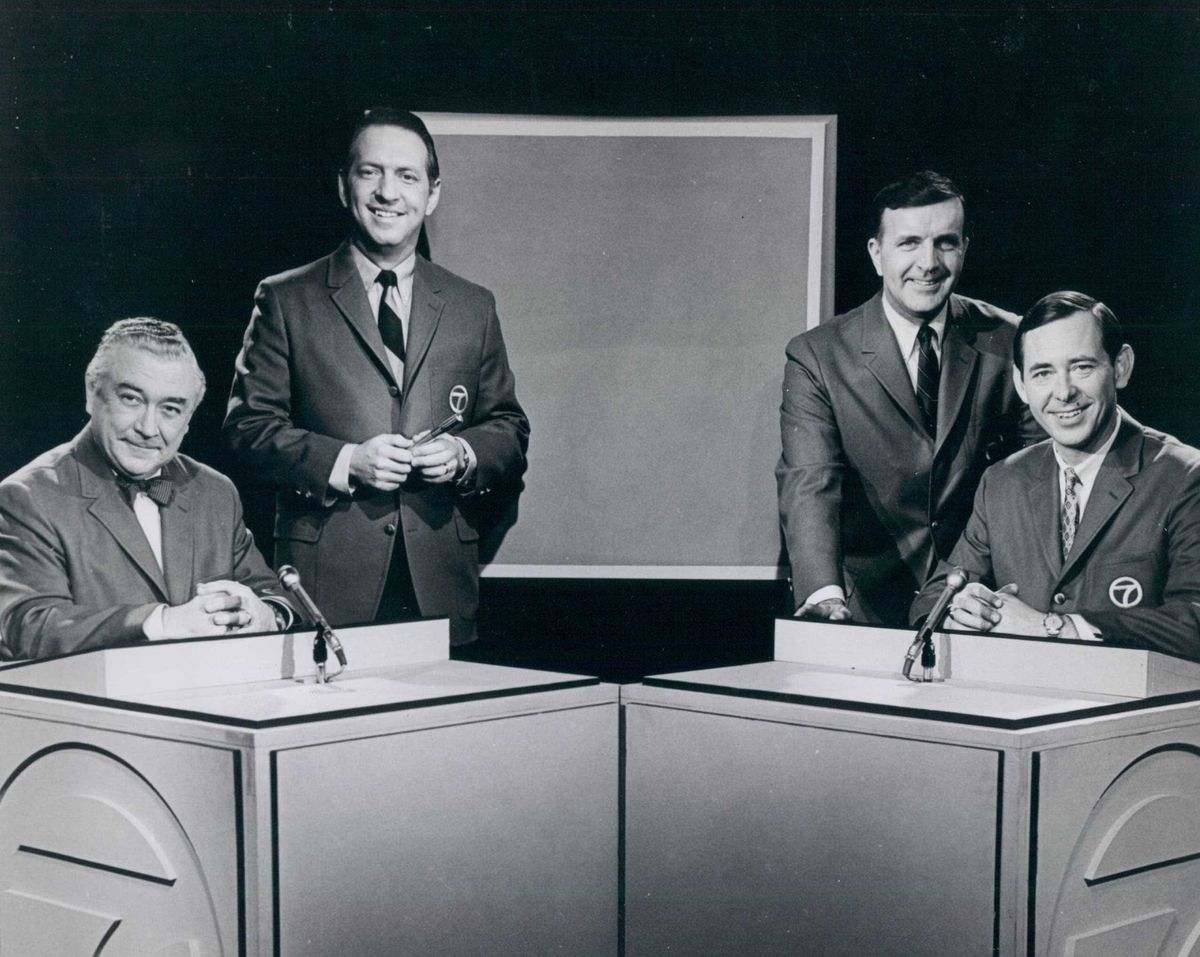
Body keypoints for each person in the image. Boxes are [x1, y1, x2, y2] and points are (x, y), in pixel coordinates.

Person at [223, 109, 529, 645]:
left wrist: (464, 456)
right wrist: (347, 462)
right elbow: (247, 430)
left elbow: (508, 428)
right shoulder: (286, 298)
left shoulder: (472, 305)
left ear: (432, 195)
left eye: (407, 177)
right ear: (345, 186)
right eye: (371, 173)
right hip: (327, 592)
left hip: (441, 588)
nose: (389, 192)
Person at [776, 170, 1034, 626]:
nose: (929, 262)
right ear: (877, 255)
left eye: (946, 243)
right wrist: (823, 594)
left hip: (971, 603)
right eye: (909, 243)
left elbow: (1039, 473)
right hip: (859, 606)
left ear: (964, 249)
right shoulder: (817, 355)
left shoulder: (1009, 339)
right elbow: (809, 484)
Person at [911, 292, 1200, 660]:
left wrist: (1054, 627)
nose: (1063, 392)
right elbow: (932, 599)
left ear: (1121, 366)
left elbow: (1194, 620)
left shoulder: (1185, 477)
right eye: (1043, 372)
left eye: (1082, 367)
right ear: (1021, 384)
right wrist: (961, 613)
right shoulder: (1002, 481)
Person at [0, 318, 292, 661]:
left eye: (170, 409)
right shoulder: (27, 496)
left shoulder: (215, 492)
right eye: (131, 399)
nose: (148, 428)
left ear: (188, 419)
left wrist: (265, 615)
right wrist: (163, 624)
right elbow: (29, 627)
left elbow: (275, 596)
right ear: (92, 394)